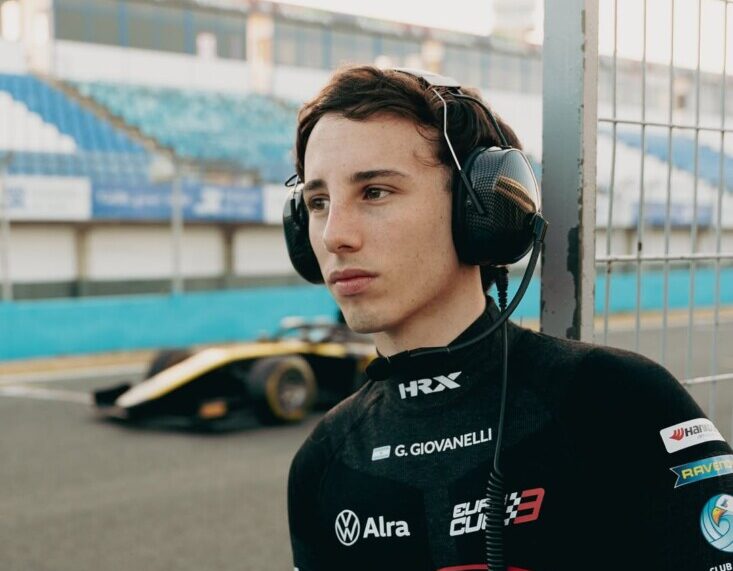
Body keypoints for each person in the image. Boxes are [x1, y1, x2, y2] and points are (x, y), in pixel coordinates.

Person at [284, 65, 733, 571]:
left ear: (481, 209)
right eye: (318, 202)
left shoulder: (621, 402)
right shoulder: (322, 463)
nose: (334, 235)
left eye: (375, 192)